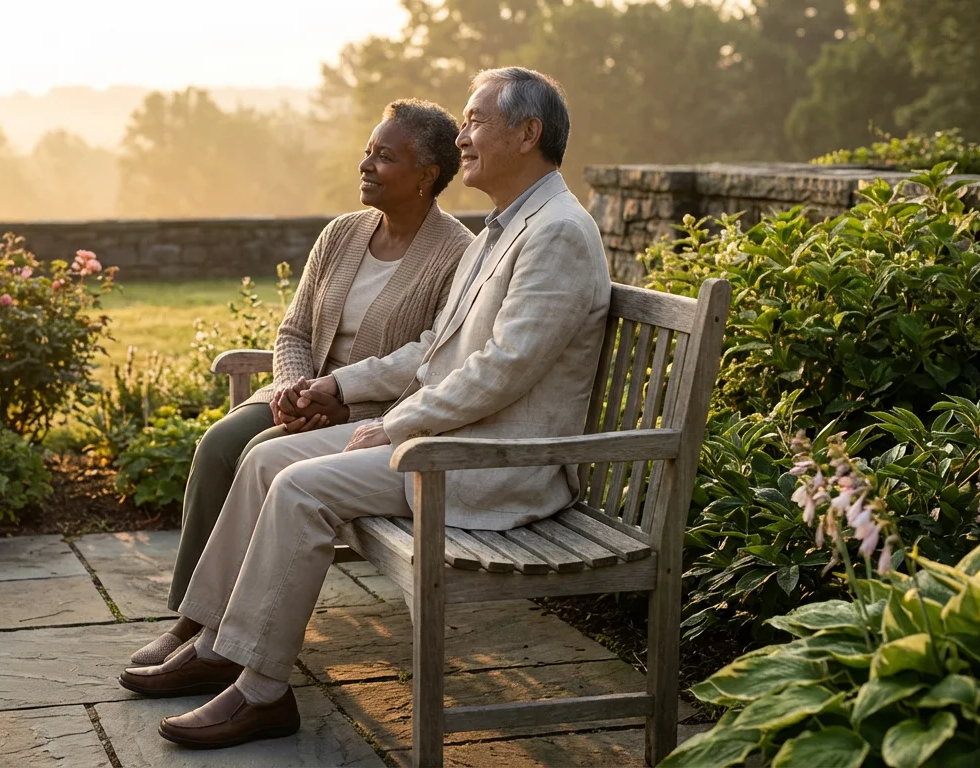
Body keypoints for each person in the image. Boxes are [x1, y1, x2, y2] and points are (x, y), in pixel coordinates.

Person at [120, 66, 613, 749]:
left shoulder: (556, 232)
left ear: (527, 134)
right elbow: (434, 352)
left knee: (297, 488)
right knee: (264, 461)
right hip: (448, 439)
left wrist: (394, 423)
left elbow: (501, 373)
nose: (463, 136)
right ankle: (216, 642)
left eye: (474, 122)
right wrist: (341, 389)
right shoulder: (509, 227)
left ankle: (261, 693)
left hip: (489, 461)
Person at [127, 99, 475, 668]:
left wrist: (337, 395)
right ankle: (191, 619)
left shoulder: (456, 252)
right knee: (219, 445)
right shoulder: (341, 234)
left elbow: (428, 355)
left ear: (427, 175)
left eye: (385, 156)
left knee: (262, 454)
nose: (366, 164)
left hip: (372, 412)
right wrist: (294, 390)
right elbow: (293, 329)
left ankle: (226, 631)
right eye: (368, 151)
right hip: (304, 398)